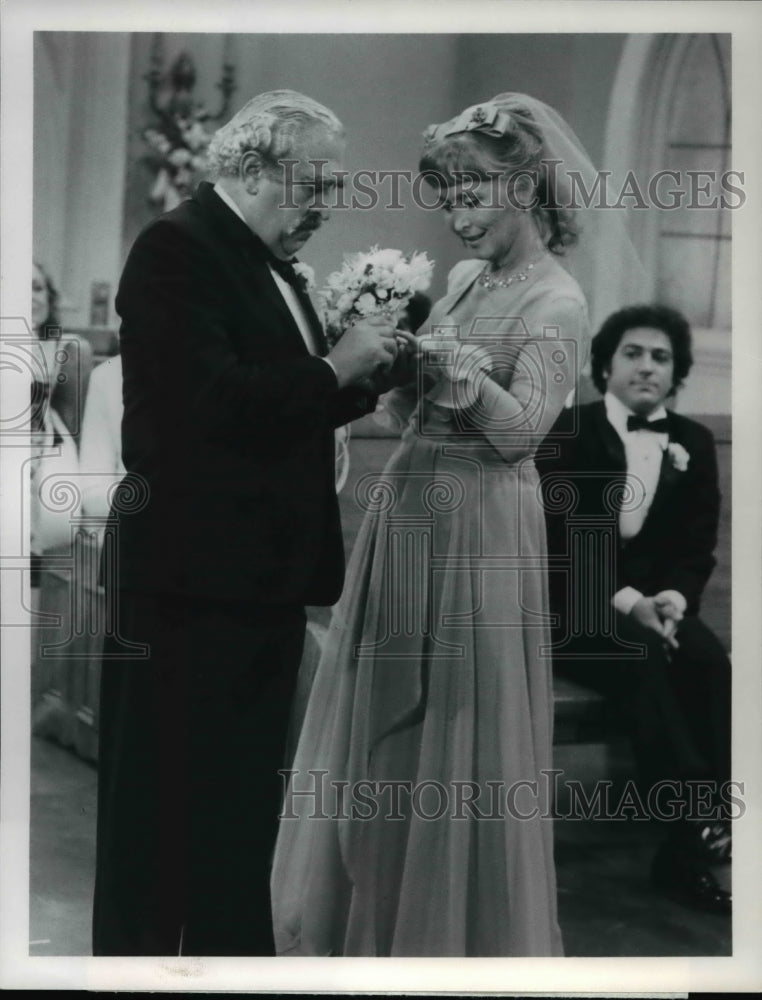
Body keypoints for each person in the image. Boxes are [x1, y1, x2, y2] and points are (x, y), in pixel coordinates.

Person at [271, 93, 594, 956]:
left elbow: (523, 433)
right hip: (410, 508)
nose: (456, 216)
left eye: (471, 193)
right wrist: (391, 355)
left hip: (481, 528)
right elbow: (417, 402)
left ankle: (445, 933)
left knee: (455, 724)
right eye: (446, 196)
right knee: (384, 719)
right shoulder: (460, 283)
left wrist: (457, 371)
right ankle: (368, 916)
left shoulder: (559, 303)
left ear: (525, 186)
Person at [91, 90, 400, 957]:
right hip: (183, 589)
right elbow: (204, 411)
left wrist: (366, 378)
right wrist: (334, 365)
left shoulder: (270, 263)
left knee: (233, 829)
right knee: (155, 831)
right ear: (257, 168)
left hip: (255, 587)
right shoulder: (175, 249)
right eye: (319, 183)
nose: (330, 204)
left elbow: (270, 412)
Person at [537, 304, 731, 912]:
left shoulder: (693, 442)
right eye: (633, 353)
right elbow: (561, 543)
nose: (648, 366)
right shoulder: (569, 432)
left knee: (706, 658)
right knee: (643, 654)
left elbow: (695, 546)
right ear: (605, 365)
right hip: (575, 611)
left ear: (675, 372)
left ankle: (697, 827)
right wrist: (628, 603)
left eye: (661, 356)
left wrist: (672, 600)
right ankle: (697, 826)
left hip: (656, 611)